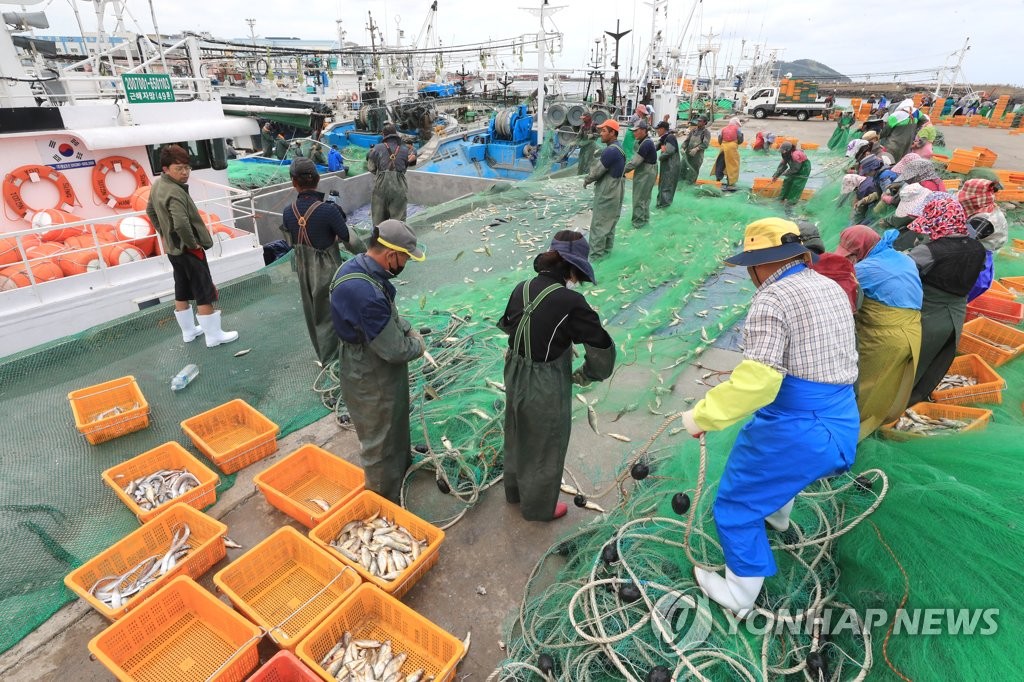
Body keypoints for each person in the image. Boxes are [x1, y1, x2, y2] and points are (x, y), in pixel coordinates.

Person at [681, 218, 858, 617]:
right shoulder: (827, 284)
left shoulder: (772, 298)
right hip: (842, 417)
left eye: (750, 266)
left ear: (761, 263)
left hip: (801, 427)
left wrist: (702, 416)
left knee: (736, 501)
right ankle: (777, 520)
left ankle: (740, 594)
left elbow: (759, 382)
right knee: (778, 472)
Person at [498, 231, 615, 521]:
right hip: (545, 385)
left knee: (516, 430)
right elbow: (600, 347)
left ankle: (513, 492)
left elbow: (510, 325)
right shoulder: (571, 302)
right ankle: (538, 508)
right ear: (572, 267)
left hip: (514, 371)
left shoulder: (522, 287)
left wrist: (554, 341)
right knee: (544, 443)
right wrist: (587, 374)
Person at [329, 220, 427, 502]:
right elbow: (394, 351)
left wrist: (406, 325)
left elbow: (388, 313)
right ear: (391, 255)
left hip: (366, 354)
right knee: (379, 436)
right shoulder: (366, 292)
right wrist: (416, 345)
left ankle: (401, 471)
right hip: (369, 368)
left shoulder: (358, 266)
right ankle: (383, 500)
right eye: (406, 257)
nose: (406, 262)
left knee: (394, 420)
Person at [146, 144, 239, 347]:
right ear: (166, 168)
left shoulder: (157, 185)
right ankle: (213, 336)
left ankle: (189, 332)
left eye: (187, 168)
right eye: (179, 168)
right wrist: (193, 244)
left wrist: (163, 233)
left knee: (181, 288)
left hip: (173, 249)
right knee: (203, 290)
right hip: (188, 250)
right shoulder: (176, 192)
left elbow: (150, 210)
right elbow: (180, 223)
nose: (185, 172)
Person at [835, 226, 923, 440]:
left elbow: (838, 296)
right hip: (913, 332)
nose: (850, 259)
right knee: (887, 385)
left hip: (887, 338)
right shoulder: (900, 257)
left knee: (865, 386)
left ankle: (847, 437)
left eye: (851, 255)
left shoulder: (866, 269)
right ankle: (871, 424)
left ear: (862, 249)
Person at [282, 158, 365, 366]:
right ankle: (337, 361)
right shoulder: (328, 210)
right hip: (327, 269)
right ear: (318, 179)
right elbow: (348, 238)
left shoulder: (287, 212)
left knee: (313, 314)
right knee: (332, 315)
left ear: (294, 182)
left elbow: (291, 240)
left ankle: (324, 356)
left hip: (303, 269)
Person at [906, 196, 987, 405]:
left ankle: (894, 404)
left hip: (928, 314)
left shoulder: (930, 251)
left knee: (909, 361)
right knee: (935, 360)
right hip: (956, 315)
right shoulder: (977, 248)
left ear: (937, 220)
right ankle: (916, 398)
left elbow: (905, 273)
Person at [582, 119, 626, 258]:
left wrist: (586, 180)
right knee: (609, 224)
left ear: (613, 133)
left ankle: (596, 259)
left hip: (608, 191)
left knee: (599, 225)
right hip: (616, 189)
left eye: (604, 131)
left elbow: (596, 172)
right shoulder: (619, 147)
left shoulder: (611, 151)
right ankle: (606, 254)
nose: (601, 133)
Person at [959, 179, 1008, 301]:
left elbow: (962, 239)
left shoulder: (984, 219)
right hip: (977, 252)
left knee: (963, 292)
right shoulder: (986, 208)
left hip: (978, 259)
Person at [366, 123, 417, 227]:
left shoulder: (377, 148)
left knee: (379, 221)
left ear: (384, 135)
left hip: (381, 186)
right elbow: (406, 166)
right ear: (395, 134)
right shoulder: (404, 149)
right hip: (399, 186)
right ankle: (397, 240)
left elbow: (371, 168)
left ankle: (380, 240)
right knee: (399, 221)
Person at [623, 120, 657, 228]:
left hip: (646, 172)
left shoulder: (646, 143)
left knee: (639, 198)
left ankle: (638, 223)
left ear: (643, 130)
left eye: (636, 131)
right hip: (648, 170)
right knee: (645, 197)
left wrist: (621, 170)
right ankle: (644, 219)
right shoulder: (644, 141)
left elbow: (635, 163)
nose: (634, 133)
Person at [655, 120, 681, 207]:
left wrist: (660, 157)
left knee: (667, 186)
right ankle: (660, 203)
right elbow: (654, 148)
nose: (657, 131)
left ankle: (664, 206)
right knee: (662, 185)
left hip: (671, 167)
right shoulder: (664, 138)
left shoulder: (670, 137)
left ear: (662, 129)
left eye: (658, 129)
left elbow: (669, 151)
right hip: (666, 166)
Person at [680, 115, 711, 184]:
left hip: (697, 157)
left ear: (705, 123)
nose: (698, 122)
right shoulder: (693, 131)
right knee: (682, 170)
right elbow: (687, 141)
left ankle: (689, 188)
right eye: (698, 121)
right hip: (687, 154)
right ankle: (680, 186)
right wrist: (682, 147)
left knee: (693, 173)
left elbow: (705, 144)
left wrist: (696, 149)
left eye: (700, 121)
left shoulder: (706, 133)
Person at [715, 117, 743, 191]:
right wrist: (735, 143)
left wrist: (723, 144)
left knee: (721, 163)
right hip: (732, 148)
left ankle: (718, 179)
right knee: (733, 165)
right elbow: (740, 139)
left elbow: (720, 138)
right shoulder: (737, 129)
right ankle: (730, 182)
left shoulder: (723, 128)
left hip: (723, 147)